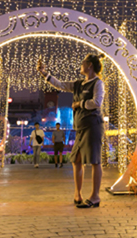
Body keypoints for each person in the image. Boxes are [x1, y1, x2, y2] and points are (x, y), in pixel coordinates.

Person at [37, 54, 105, 208]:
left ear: (90, 65)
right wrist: (44, 73)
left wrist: (79, 103)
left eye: (83, 62)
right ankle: (78, 194)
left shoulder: (98, 83)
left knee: (95, 161)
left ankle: (95, 196)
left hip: (93, 125)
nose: (81, 65)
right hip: (80, 127)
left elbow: (97, 102)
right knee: (76, 160)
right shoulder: (78, 84)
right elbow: (60, 85)